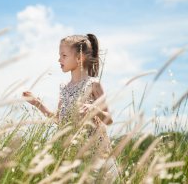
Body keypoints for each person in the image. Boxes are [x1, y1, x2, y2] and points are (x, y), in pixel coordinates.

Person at [22, 34, 119, 183]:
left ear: (79, 58)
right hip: (74, 154)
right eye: (59, 55)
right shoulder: (64, 89)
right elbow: (60, 120)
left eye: (64, 55)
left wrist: (94, 109)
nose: (59, 60)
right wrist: (38, 104)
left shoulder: (93, 84)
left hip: (96, 153)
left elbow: (109, 119)